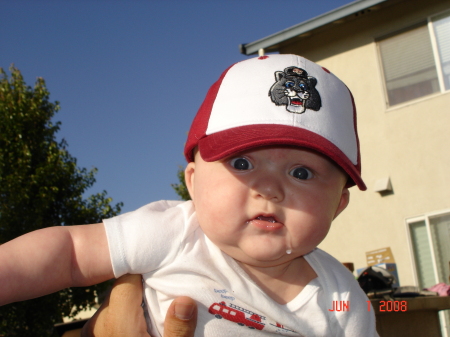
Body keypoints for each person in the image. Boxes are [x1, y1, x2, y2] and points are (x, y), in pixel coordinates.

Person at [0, 54, 378, 337]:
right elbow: (69, 253)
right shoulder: (174, 232)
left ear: (338, 205)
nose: (269, 189)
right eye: (242, 164)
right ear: (193, 183)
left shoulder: (340, 298)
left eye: (301, 173)